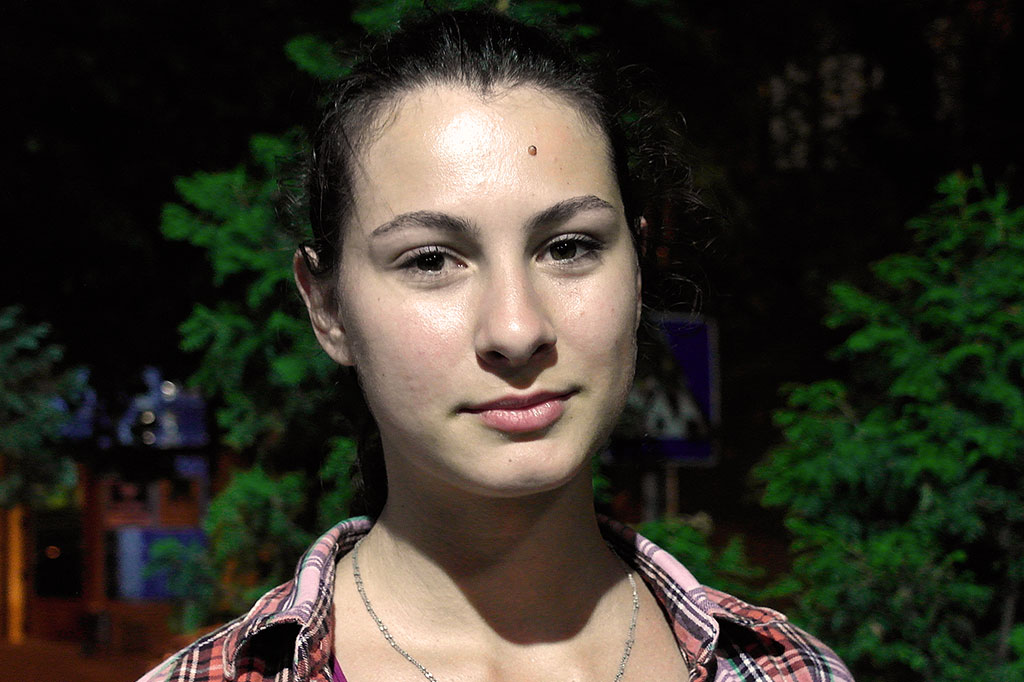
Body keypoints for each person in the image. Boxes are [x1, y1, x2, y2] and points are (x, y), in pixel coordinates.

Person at [140, 9, 852, 682]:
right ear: (327, 309)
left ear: (637, 270)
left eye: (569, 247)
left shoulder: (787, 671)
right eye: (430, 260)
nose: (516, 330)